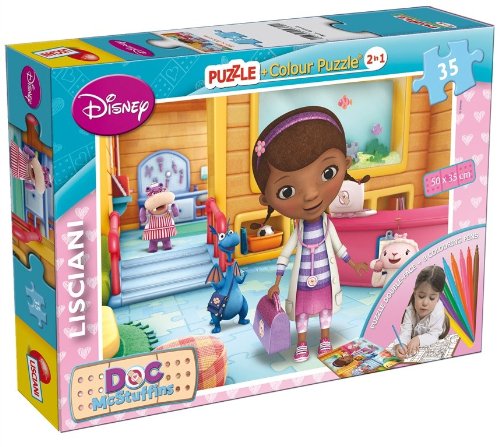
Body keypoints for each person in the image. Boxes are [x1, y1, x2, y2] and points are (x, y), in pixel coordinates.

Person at [251, 106, 368, 362]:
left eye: (327, 173)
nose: (312, 195)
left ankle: (325, 340)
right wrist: (277, 282)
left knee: (326, 311)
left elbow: (339, 248)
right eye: (287, 191)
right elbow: (284, 255)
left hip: (325, 281)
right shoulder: (299, 230)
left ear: (345, 165)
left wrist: (353, 264)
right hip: (303, 283)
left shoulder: (327, 225)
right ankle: (302, 344)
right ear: (266, 200)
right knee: (302, 314)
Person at [393, 265, 450, 358]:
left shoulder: (438, 311)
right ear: (415, 293)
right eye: (421, 296)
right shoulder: (410, 309)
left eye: (432, 298)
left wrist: (419, 339)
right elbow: (405, 332)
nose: (425, 303)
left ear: (438, 297)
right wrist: (401, 344)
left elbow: (434, 335)